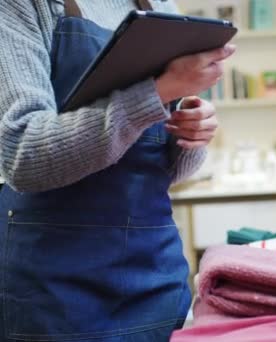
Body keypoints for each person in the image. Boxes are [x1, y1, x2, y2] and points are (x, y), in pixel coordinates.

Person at [0, 0, 235, 340]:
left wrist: (190, 132)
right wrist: (157, 93)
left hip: (154, 272)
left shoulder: (159, 5)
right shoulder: (22, 4)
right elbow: (23, 156)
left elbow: (159, 168)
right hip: (52, 284)